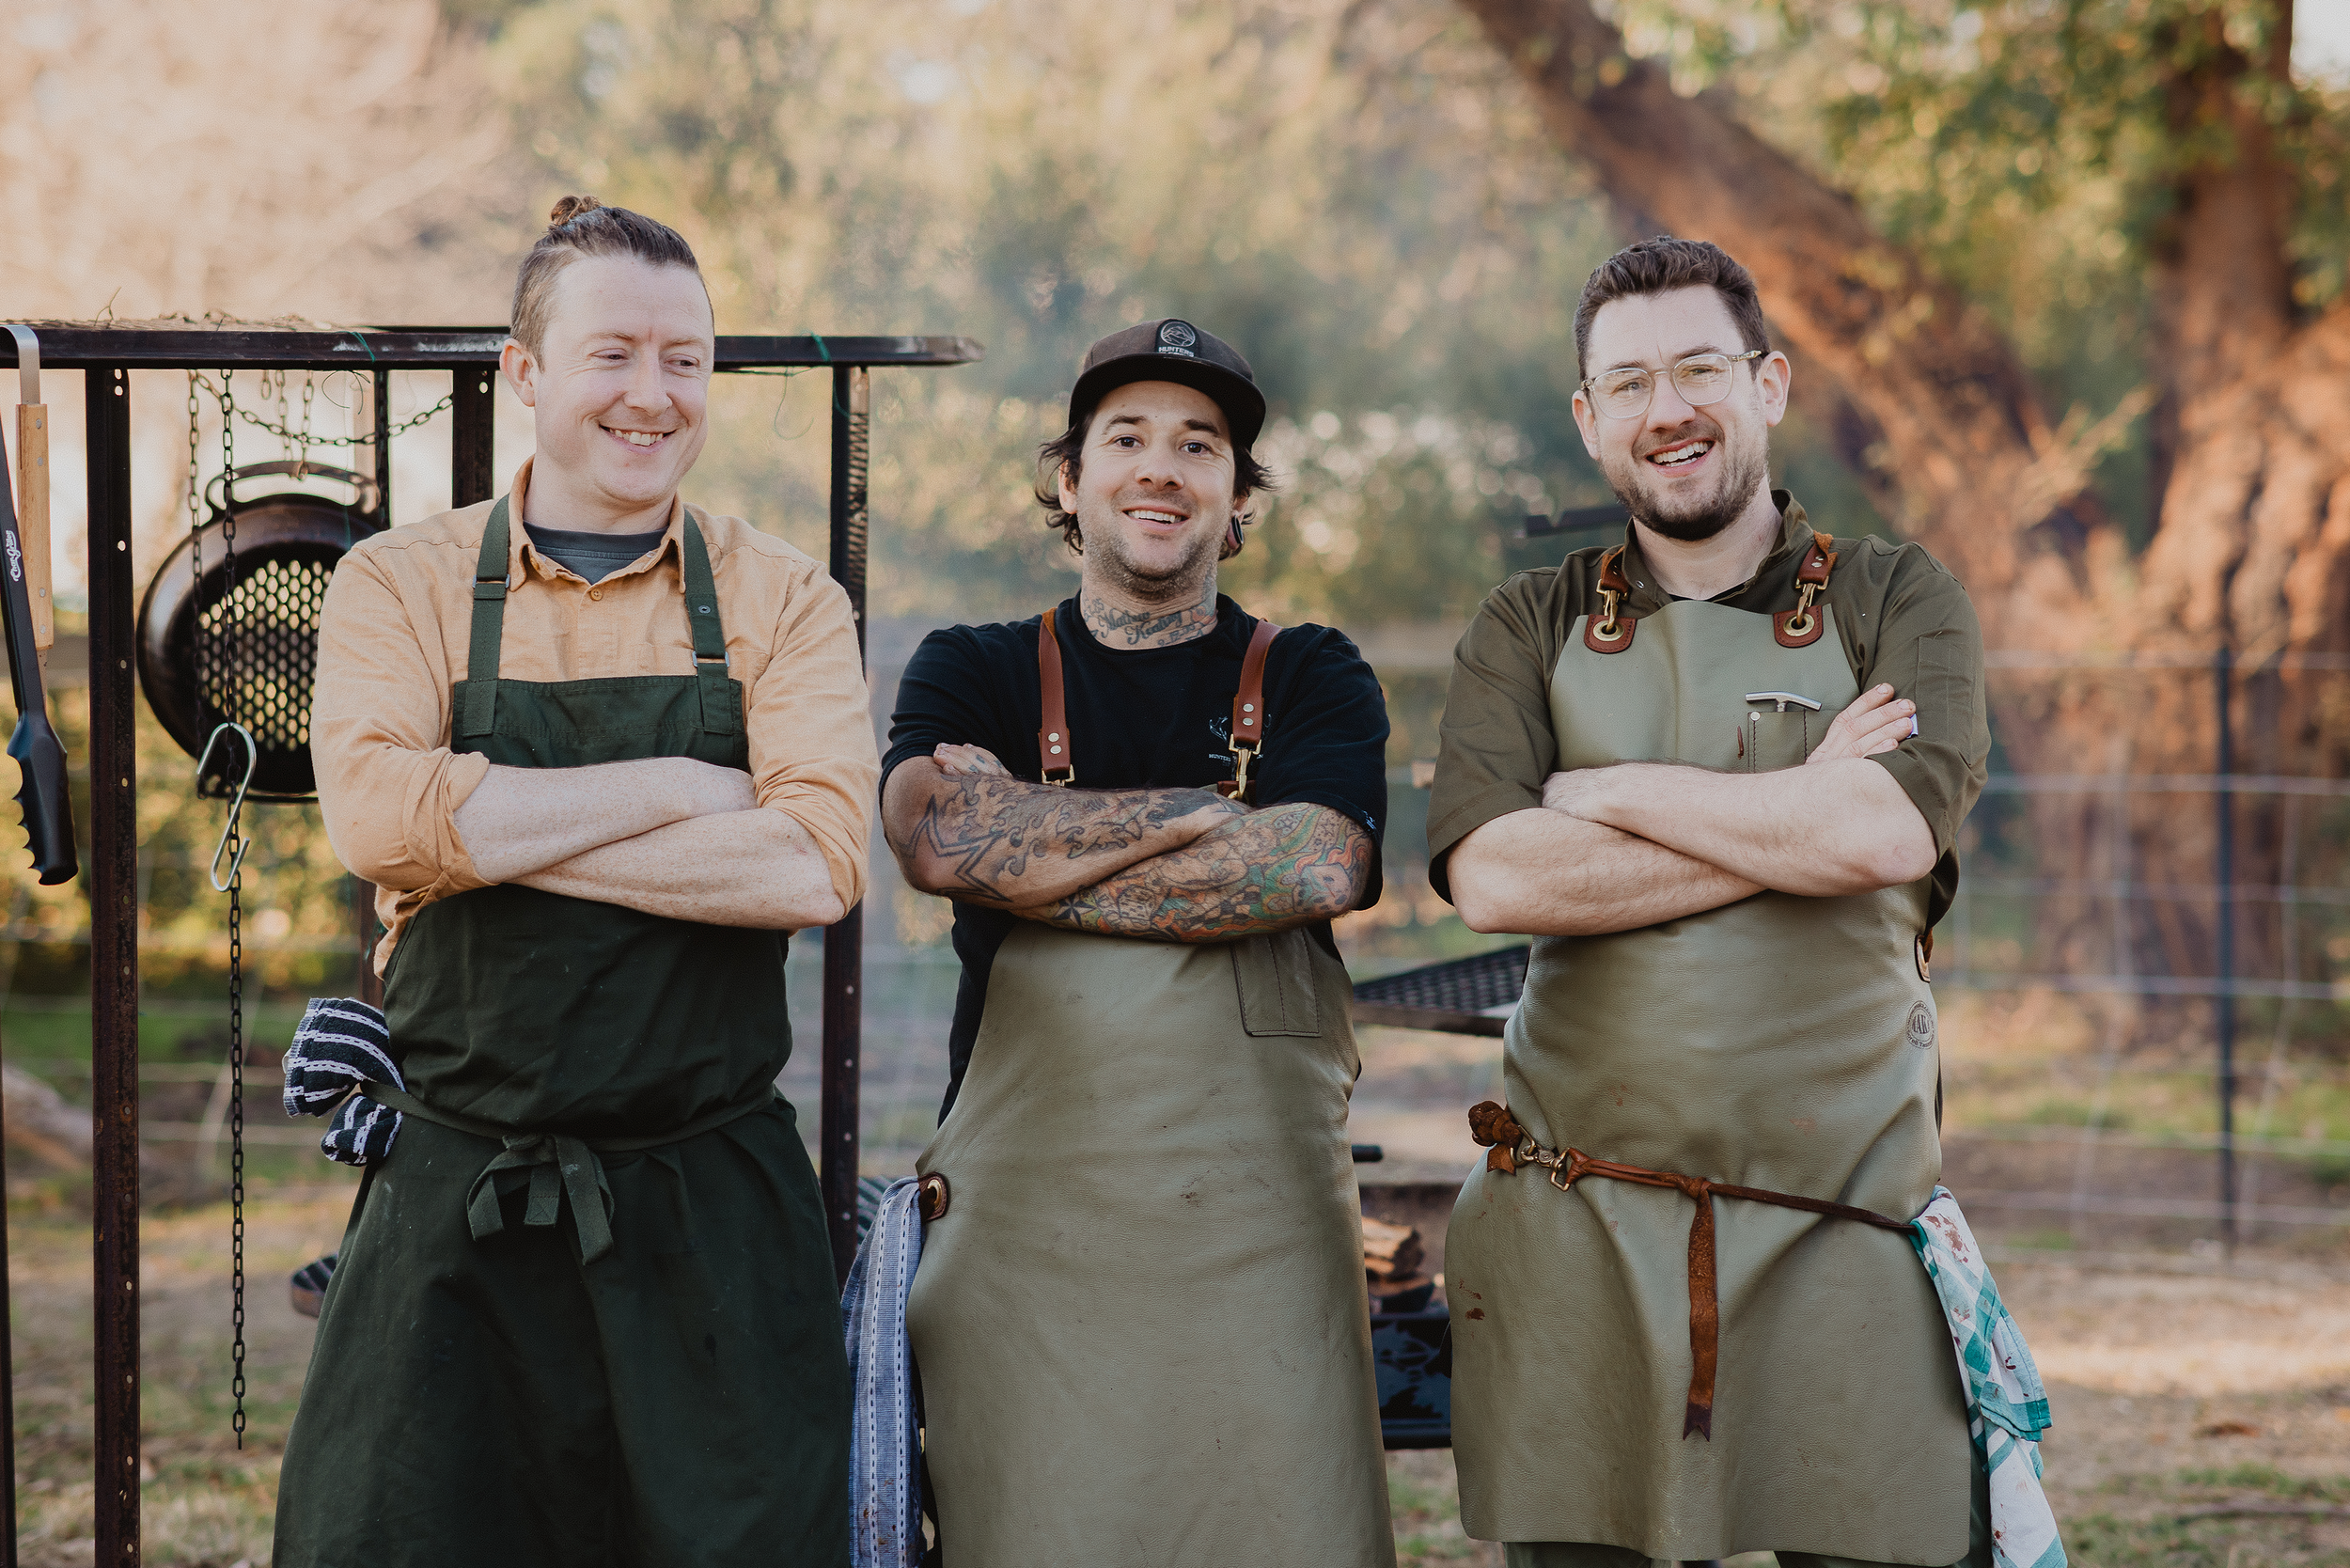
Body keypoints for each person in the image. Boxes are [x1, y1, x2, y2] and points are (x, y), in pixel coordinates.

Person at [276, 196, 874, 1568]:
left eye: (685, 360)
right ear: (526, 373)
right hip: (456, 1203)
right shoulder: (400, 584)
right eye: (613, 354)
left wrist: (487, 825)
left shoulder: (784, 600)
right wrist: (678, 786)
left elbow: (814, 860)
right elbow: (378, 821)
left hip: (711, 1213)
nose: (652, 396)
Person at [1430, 237, 1999, 1568]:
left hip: (1843, 1224)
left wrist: (1598, 788)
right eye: (1627, 383)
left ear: (1769, 383)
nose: (1666, 409)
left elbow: (1884, 827)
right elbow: (1496, 875)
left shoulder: (1897, 596)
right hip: (1577, 1225)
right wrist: (1793, 810)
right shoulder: (1528, 621)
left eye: (1699, 368)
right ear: (1588, 419)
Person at [882, 320, 1398, 1567]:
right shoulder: (974, 665)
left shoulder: (1316, 673)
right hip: (1029, 1255)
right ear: (1070, 480)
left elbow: (1319, 863)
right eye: (1127, 438)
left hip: (1261, 1244)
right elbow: (940, 840)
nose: (1160, 468)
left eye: (1199, 446)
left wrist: (1039, 845)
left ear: (1236, 501)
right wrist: (1206, 814)